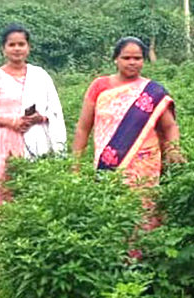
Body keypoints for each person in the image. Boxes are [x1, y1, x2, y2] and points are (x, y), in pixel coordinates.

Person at [71, 37, 183, 189]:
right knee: (110, 204)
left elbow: (169, 126)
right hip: (108, 163)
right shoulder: (100, 86)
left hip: (145, 165)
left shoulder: (153, 92)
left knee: (146, 207)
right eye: (126, 58)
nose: (132, 62)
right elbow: (83, 128)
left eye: (137, 58)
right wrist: (75, 165)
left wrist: (173, 150)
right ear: (116, 59)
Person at [0, 23, 67, 205]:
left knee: (33, 192)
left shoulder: (40, 75)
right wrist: (10, 122)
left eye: (21, 44)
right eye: (12, 45)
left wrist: (40, 117)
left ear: (28, 47)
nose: (17, 49)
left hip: (37, 138)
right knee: (4, 190)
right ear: (4, 49)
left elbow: (54, 110)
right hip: (4, 142)